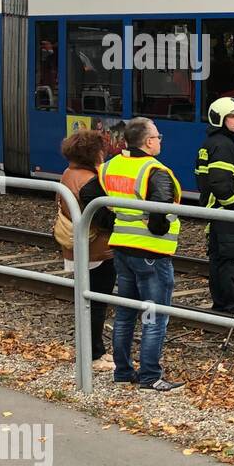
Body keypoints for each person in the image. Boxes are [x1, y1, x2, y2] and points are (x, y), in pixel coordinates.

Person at [98, 117, 183, 392]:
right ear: (148, 142)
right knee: (154, 315)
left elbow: (95, 200)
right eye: (158, 137)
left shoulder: (110, 166)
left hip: (121, 249)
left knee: (125, 314)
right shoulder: (154, 170)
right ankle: (150, 376)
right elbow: (160, 211)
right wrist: (159, 228)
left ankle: (123, 372)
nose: (160, 141)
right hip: (151, 252)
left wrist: (114, 224)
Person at [56, 129, 116, 371]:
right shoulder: (89, 181)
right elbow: (102, 218)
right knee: (95, 302)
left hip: (80, 248)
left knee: (88, 301)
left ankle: (93, 350)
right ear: (94, 153)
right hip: (97, 251)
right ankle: (93, 355)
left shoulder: (69, 173)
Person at [195, 97, 234, 317]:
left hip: (215, 213)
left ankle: (220, 305)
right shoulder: (224, 145)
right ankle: (230, 307)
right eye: (232, 116)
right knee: (229, 260)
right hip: (226, 215)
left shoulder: (211, 143)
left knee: (218, 260)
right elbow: (219, 183)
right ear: (219, 118)